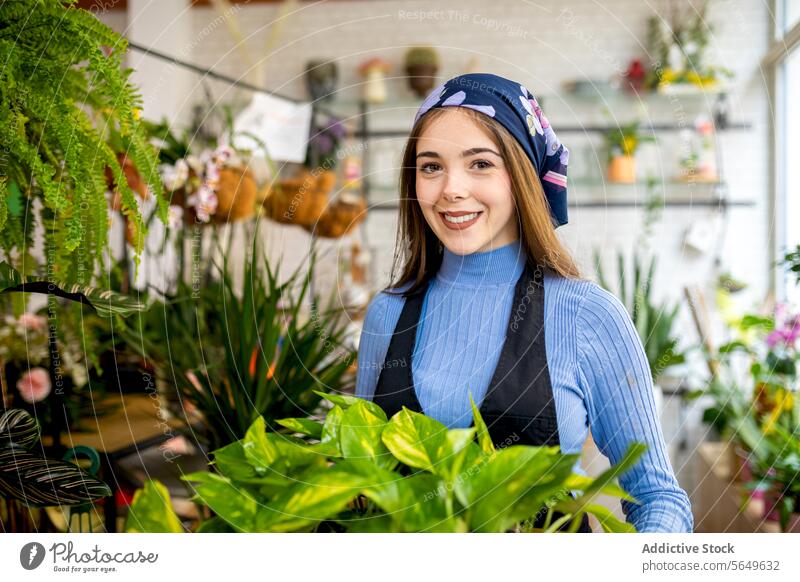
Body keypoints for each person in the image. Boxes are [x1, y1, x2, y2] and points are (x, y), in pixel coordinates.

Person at [355, 73, 693, 533]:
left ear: (523, 176)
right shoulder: (387, 314)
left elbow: (657, 496)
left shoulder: (585, 314)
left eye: (480, 164)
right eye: (431, 166)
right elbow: (360, 481)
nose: (451, 188)